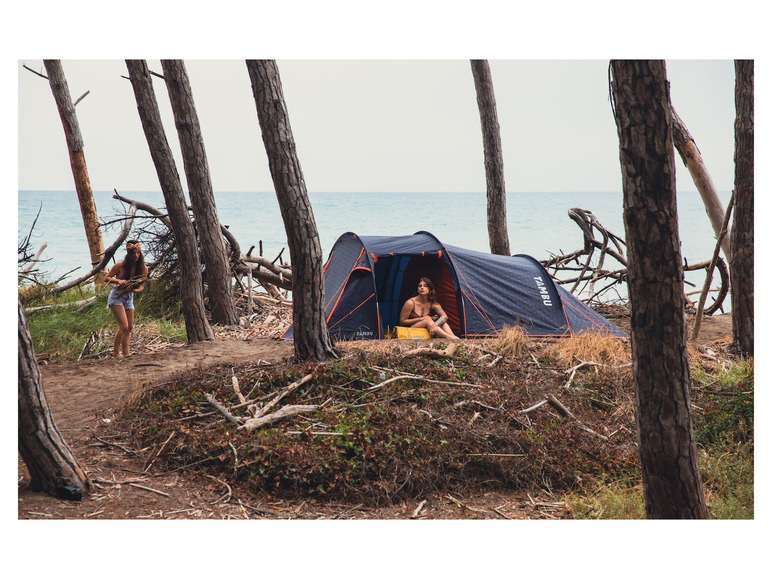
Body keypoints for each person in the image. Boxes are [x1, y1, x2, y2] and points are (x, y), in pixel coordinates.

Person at [104, 239, 148, 358]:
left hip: (129, 296)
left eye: (138, 253)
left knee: (129, 327)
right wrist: (119, 280)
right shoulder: (120, 265)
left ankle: (126, 352)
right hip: (116, 297)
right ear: (128, 254)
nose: (136, 256)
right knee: (123, 326)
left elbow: (142, 286)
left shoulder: (143, 268)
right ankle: (116, 353)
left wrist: (134, 290)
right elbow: (106, 278)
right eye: (133, 253)